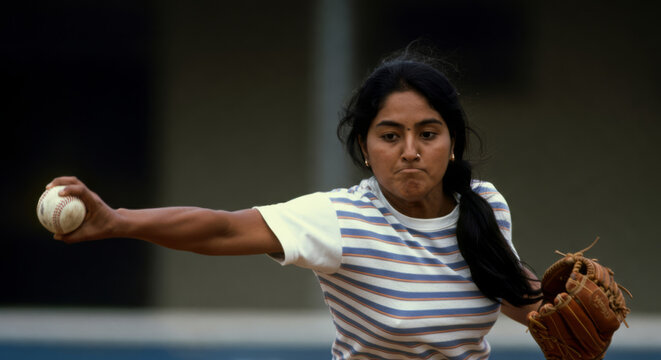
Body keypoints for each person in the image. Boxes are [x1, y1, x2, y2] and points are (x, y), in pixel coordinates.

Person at [48, 47, 542, 359]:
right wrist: (116, 220)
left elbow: (513, 296)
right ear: (365, 150)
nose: (410, 150)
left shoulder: (484, 205)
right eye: (390, 135)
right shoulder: (341, 218)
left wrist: (560, 315)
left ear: (452, 142)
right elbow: (220, 229)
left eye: (427, 133)